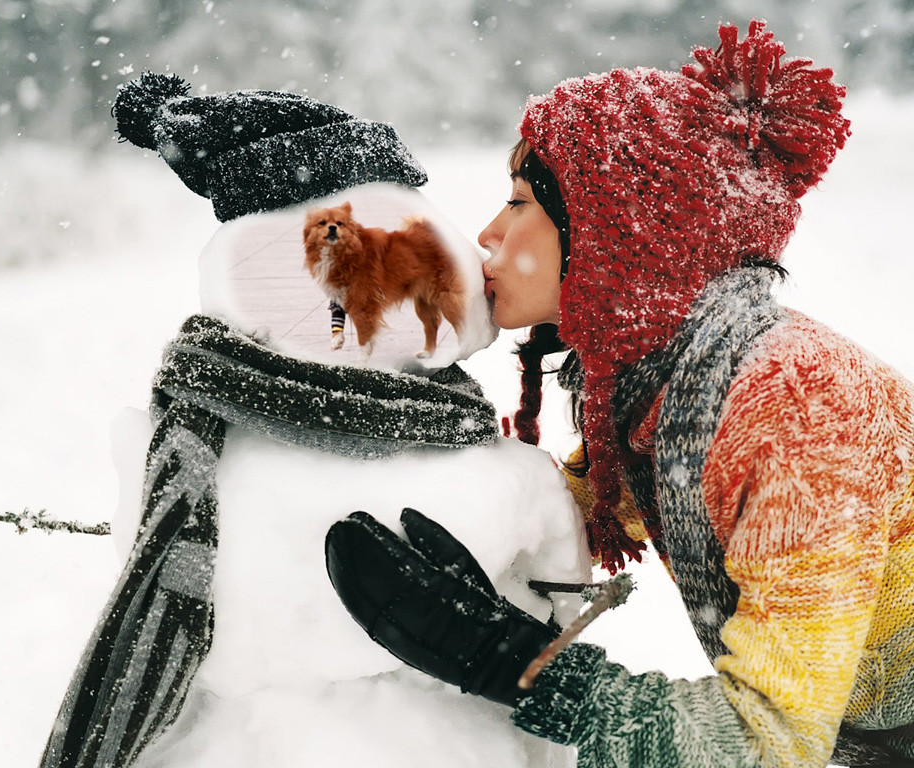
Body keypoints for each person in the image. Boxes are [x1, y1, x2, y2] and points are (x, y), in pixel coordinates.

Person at [325, 20, 914, 768]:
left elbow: (763, 745)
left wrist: (510, 663)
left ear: (617, 232)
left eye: (518, 202)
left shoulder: (796, 410)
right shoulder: (667, 394)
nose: (486, 232)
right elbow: (555, 504)